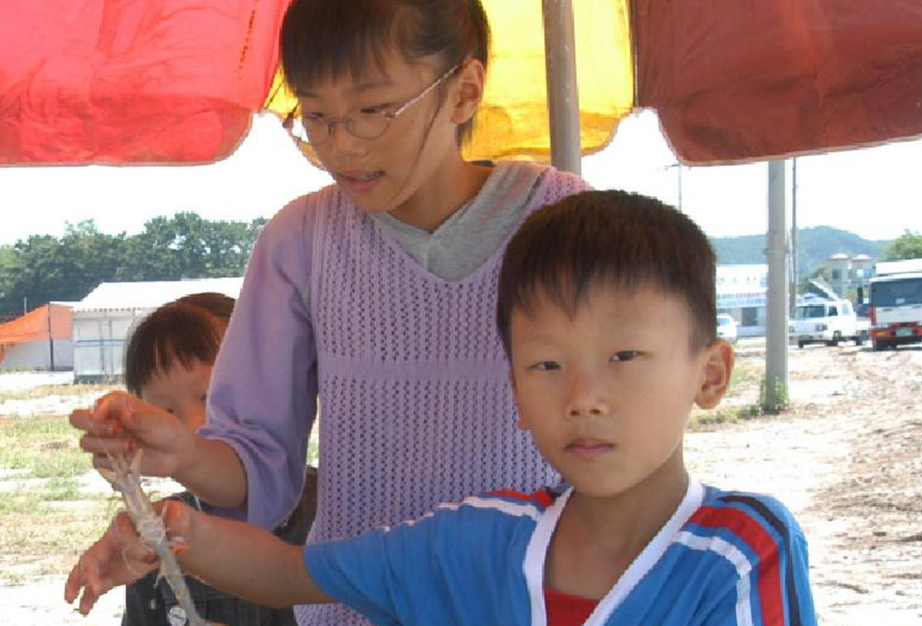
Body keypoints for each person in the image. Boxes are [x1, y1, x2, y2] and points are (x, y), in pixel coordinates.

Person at [66, 190, 817, 626]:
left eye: (623, 357)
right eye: (546, 366)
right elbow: (295, 574)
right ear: (514, 395)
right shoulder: (489, 535)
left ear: (711, 374)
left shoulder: (743, 550)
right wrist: (169, 526)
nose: (584, 398)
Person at [70, 1, 590, 624]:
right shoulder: (302, 242)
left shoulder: (565, 224)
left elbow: (629, 440)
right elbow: (258, 467)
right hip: (352, 608)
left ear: (463, 91)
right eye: (315, 116)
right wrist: (183, 451)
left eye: (372, 111)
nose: (341, 145)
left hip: (532, 605)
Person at [114, 293, 318, 626]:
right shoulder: (153, 534)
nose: (195, 426)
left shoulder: (334, 515)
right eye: (166, 413)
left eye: (211, 396)